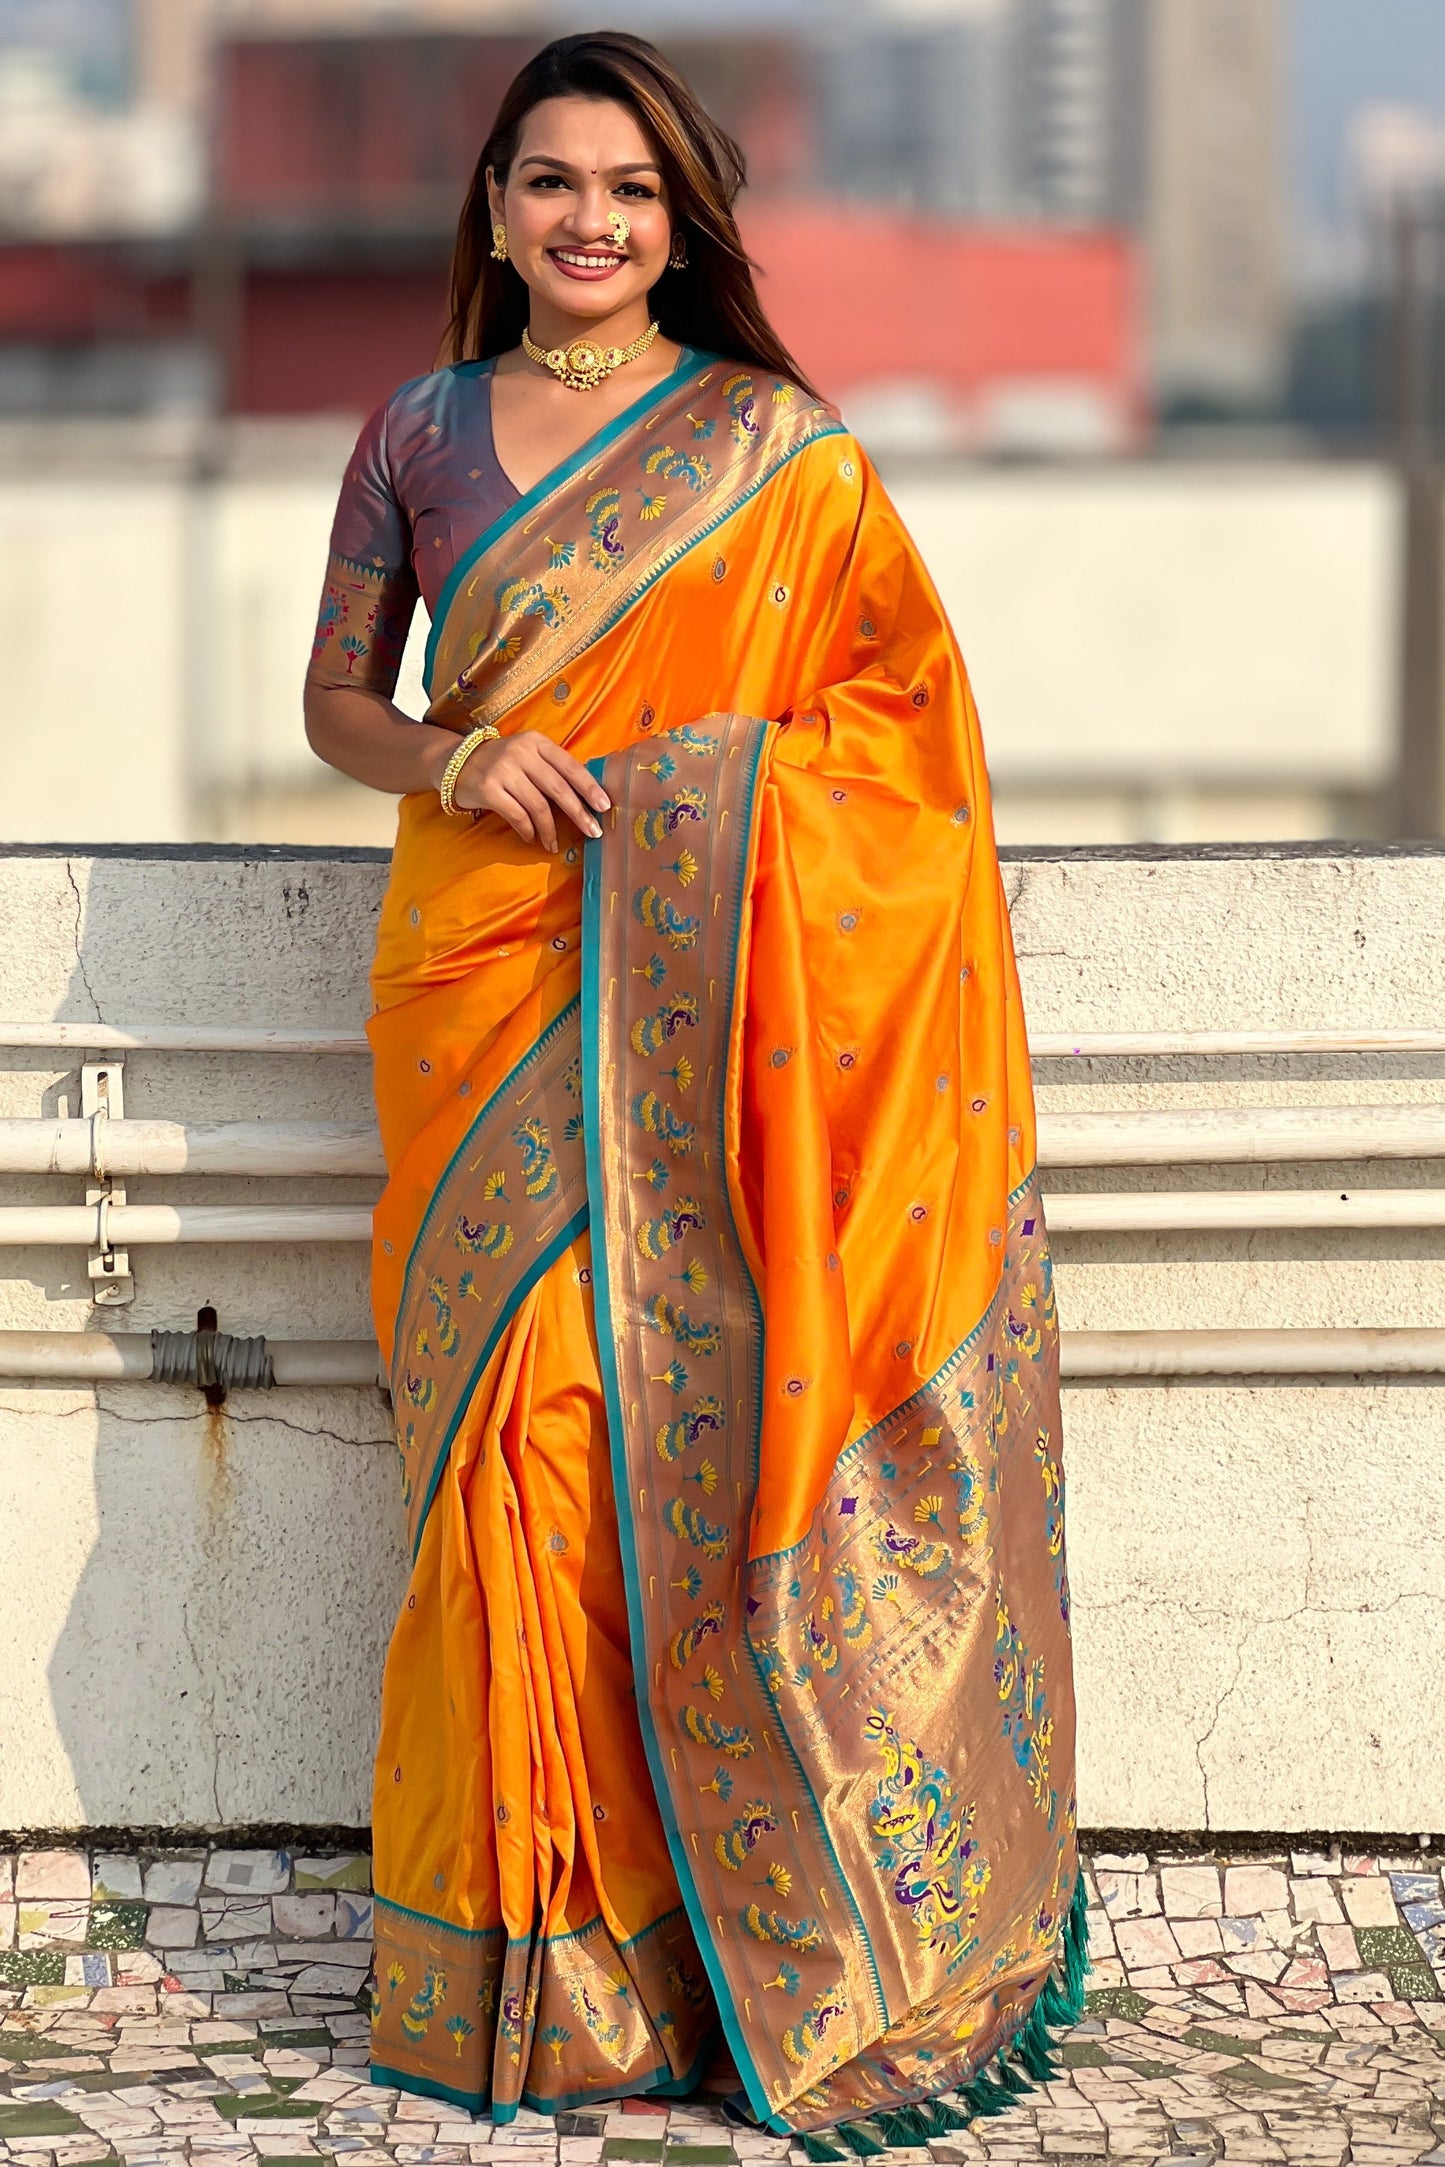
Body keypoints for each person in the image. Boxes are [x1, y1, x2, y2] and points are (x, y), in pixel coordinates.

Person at [303, 29, 1083, 2149]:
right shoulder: (415, 430)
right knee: (516, 1469)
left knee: (666, 1447)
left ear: (684, 224)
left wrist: (696, 799)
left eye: (633, 190)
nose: (591, 219)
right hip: (477, 981)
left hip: (706, 1007)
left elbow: (903, 740)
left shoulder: (775, 451)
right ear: (494, 206)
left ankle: (744, 1954)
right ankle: (546, 1976)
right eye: (553, 181)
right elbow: (338, 702)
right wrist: (462, 753)